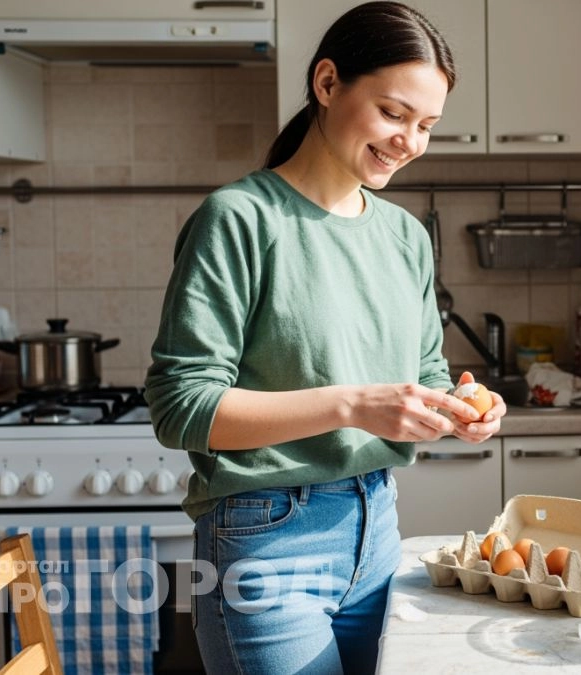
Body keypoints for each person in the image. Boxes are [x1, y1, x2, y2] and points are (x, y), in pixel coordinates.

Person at [144, 3, 505, 672]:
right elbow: (180, 408)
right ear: (329, 82)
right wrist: (352, 405)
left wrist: (459, 403)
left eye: (426, 125)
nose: (410, 142)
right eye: (394, 114)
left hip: (381, 530)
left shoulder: (404, 236)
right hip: (266, 541)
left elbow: (426, 371)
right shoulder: (239, 220)